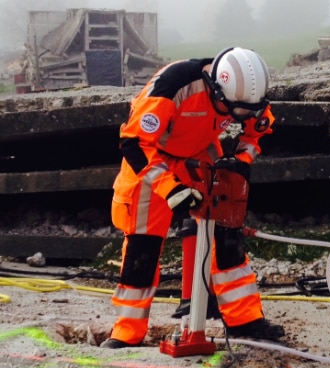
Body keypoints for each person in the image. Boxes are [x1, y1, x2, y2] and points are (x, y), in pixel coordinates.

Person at [101, 47, 285, 349]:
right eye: (234, 111)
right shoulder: (174, 87)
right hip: (151, 159)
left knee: (227, 233)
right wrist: (170, 188)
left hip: (200, 151)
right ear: (216, 89)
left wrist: (240, 161)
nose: (239, 117)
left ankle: (244, 319)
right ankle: (127, 330)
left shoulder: (247, 98)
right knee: (142, 246)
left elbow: (257, 133)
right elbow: (134, 144)